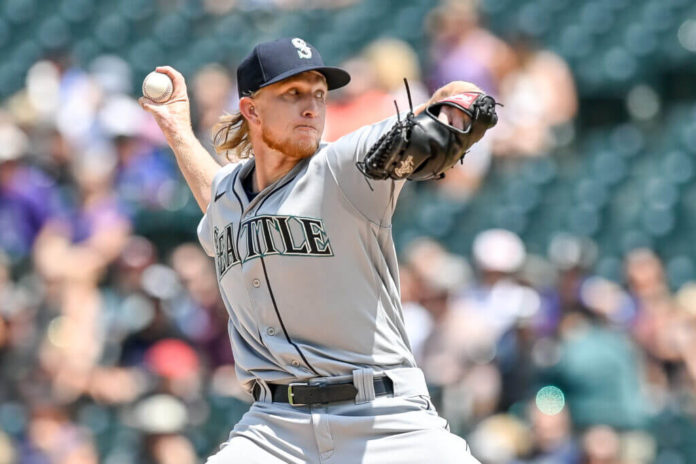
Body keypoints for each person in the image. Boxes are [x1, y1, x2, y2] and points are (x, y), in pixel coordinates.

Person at [140, 37, 488, 463]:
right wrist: (177, 131)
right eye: (293, 94)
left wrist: (454, 108)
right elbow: (217, 203)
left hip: (384, 417)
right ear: (251, 110)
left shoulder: (346, 168)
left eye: (319, 95)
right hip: (275, 427)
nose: (311, 107)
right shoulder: (228, 197)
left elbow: (463, 101)